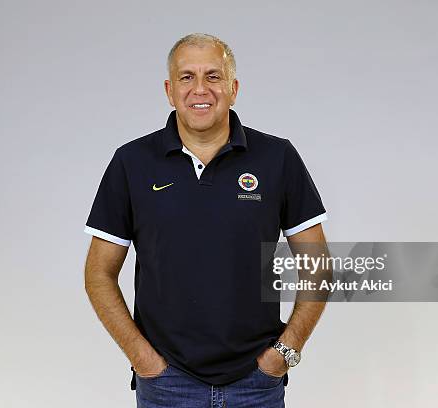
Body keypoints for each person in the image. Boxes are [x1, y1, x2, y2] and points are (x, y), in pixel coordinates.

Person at [84, 33, 329, 408]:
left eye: (213, 76)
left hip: (256, 385)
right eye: (187, 77)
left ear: (233, 88)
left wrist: (285, 353)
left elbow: (318, 265)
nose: (200, 89)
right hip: (167, 386)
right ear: (169, 89)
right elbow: (98, 273)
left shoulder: (277, 157)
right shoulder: (131, 162)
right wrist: (142, 359)